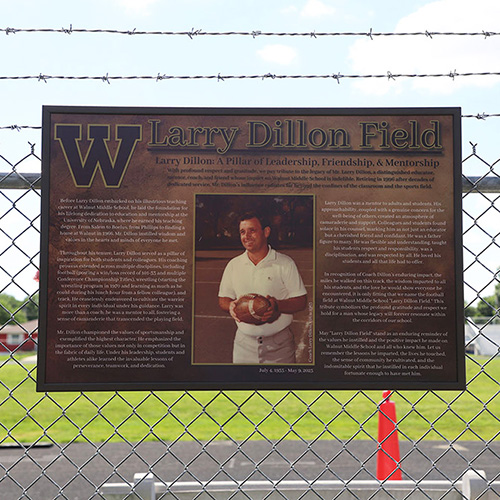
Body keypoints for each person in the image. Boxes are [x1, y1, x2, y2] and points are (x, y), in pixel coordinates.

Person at [218, 211, 307, 364]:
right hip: (243, 345)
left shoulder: (285, 263)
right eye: (242, 232)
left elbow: (301, 300)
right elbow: (223, 298)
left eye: (252, 230)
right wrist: (231, 306)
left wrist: (277, 306)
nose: (247, 236)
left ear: (266, 232)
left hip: (280, 347)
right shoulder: (233, 265)